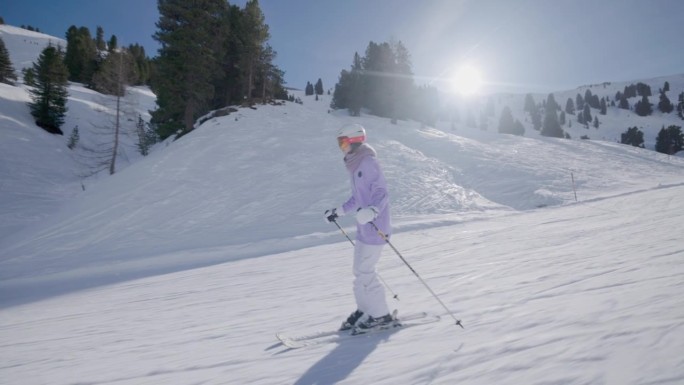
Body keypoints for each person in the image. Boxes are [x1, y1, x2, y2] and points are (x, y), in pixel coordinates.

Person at [324, 123, 395, 333]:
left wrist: (373, 210)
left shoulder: (368, 162)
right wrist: (339, 211)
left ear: (355, 140)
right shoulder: (356, 166)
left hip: (376, 227)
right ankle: (364, 310)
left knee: (366, 272)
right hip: (364, 229)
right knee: (359, 272)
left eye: (343, 142)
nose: (342, 147)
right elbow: (358, 197)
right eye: (340, 143)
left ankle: (381, 315)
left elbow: (382, 192)